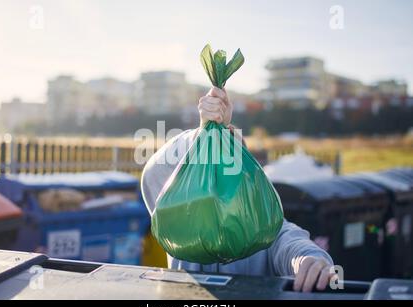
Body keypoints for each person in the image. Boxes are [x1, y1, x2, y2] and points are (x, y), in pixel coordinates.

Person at [141, 87, 336, 293]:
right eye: (212, 175)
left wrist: (311, 260)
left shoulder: (265, 228)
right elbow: (153, 175)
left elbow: (293, 244)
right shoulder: (182, 226)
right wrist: (202, 135)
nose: (221, 189)